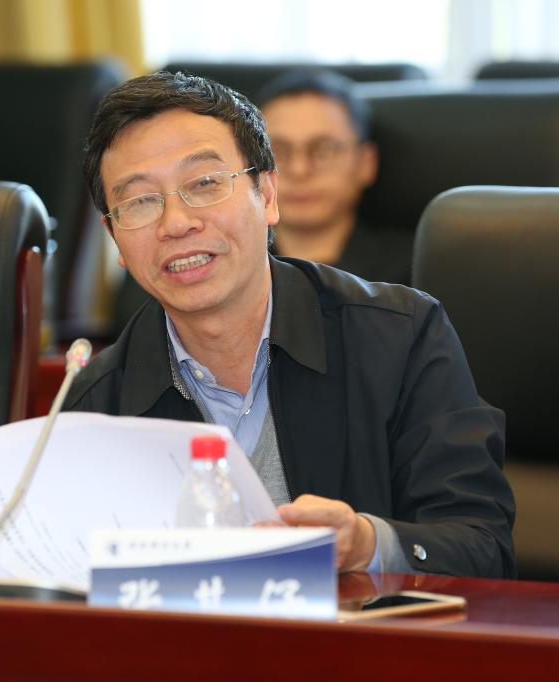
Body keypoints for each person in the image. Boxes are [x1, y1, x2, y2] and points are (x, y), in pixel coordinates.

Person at [67, 71, 515, 578]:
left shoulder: (402, 337)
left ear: (267, 194)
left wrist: (367, 545)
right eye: (140, 201)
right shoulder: (95, 404)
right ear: (114, 238)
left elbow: (483, 547)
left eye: (204, 184)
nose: (176, 223)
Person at [255, 70, 412, 284]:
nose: (299, 170)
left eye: (324, 150)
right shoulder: (233, 266)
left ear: (366, 163)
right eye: (278, 151)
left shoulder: (419, 270)